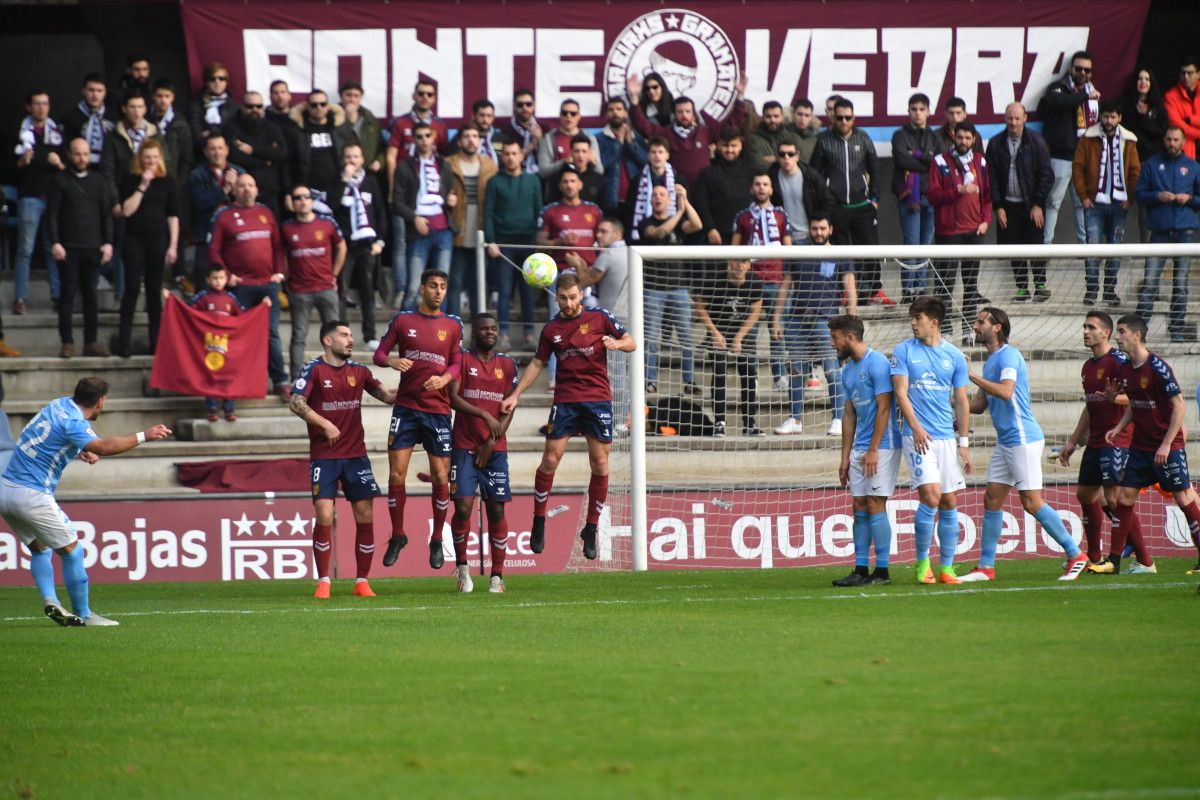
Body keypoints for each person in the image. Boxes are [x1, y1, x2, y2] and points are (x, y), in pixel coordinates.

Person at [0, 377, 171, 627]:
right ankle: (85, 614)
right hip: (31, 494)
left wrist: (77, 449)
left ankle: (51, 600)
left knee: (39, 549)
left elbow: (44, 438)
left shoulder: (58, 405)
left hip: (5, 490)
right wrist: (144, 435)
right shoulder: (74, 423)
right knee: (73, 552)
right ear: (100, 401)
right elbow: (103, 446)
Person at [500, 273, 636, 559]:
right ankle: (538, 520)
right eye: (564, 298)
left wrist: (617, 344)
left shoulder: (600, 317)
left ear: (581, 294)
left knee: (600, 464)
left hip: (598, 399)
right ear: (556, 297)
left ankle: (591, 527)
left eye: (574, 297)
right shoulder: (551, 329)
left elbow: (631, 341)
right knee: (550, 459)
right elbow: (537, 364)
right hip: (566, 400)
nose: (570, 302)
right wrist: (515, 394)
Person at [962, 307, 1089, 581]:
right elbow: (979, 406)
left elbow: (1006, 392)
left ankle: (1076, 554)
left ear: (997, 327)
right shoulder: (990, 362)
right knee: (992, 498)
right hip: (1006, 442)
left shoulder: (1009, 355)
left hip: (1023, 439)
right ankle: (985, 567)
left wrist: (970, 375)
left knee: (1031, 502)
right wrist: (944, 398)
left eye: (981, 322)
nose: (976, 326)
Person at [291, 320, 396, 598]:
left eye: (352, 334)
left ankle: (362, 581)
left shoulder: (359, 371)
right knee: (325, 514)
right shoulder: (314, 369)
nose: (351, 339)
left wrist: (417, 386)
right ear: (328, 341)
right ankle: (324, 581)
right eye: (344, 335)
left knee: (365, 514)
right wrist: (324, 424)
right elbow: (296, 402)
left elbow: (386, 396)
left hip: (355, 456)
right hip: (324, 456)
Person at [1089, 314, 1200, 574]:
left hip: (1166, 448)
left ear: (1137, 335)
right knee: (1124, 496)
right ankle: (1114, 562)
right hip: (1141, 447)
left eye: (1122, 332)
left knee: (1183, 498)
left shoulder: (1158, 367)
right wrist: (1118, 428)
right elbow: (1135, 405)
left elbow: (1179, 406)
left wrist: (1166, 443)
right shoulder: (1126, 369)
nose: (1117, 337)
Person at [373, 269, 463, 571]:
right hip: (406, 409)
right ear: (422, 287)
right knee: (396, 475)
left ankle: (437, 538)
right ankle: (398, 535)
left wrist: (445, 379)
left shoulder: (452, 325)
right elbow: (379, 354)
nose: (439, 291)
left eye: (443, 287)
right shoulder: (403, 321)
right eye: (434, 286)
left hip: (437, 410)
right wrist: (392, 361)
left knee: (440, 476)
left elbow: (457, 362)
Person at [890, 295, 972, 585]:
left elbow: (962, 402)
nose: (913, 323)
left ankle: (947, 568)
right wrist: (915, 427)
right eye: (912, 318)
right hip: (917, 437)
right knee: (931, 496)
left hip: (946, 439)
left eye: (918, 318)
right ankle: (923, 561)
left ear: (933, 323)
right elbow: (900, 393)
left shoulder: (954, 356)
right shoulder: (902, 351)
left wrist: (963, 444)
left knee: (949, 501)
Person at [447, 313, 518, 593]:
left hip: (495, 450)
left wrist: (491, 440)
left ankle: (497, 577)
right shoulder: (462, 360)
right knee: (463, 507)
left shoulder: (507, 364)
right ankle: (463, 570)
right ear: (473, 332)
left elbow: (510, 406)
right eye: (484, 329)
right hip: (464, 445)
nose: (490, 332)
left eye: (494, 328)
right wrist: (483, 416)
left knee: (496, 510)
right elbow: (452, 397)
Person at [1056, 311, 1133, 566]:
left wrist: (1115, 399)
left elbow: (1138, 398)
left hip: (1117, 438)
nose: (1086, 331)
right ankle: (1094, 555)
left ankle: (1142, 557)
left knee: (1114, 499)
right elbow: (1090, 406)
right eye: (1084, 327)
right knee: (1086, 495)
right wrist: (1073, 441)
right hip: (1096, 440)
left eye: (1091, 327)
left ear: (1106, 333)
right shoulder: (1088, 367)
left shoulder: (1119, 361)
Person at [831, 313, 901, 586]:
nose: (831, 343)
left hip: (882, 445)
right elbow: (849, 415)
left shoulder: (878, 364)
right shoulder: (847, 371)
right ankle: (860, 569)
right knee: (858, 504)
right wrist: (844, 457)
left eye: (835, 337)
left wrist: (873, 449)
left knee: (875, 503)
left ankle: (882, 571)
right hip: (860, 446)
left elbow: (885, 407)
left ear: (850, 337)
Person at [771, 214, 853, 437]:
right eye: (815, 228)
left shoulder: (839, 253)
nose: (818, 232)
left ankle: (838, 418)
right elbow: (785, 286)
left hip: (826, 321)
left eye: (822, 228)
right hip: (797, 319)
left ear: (831, 229)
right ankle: (795, 419)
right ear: (809, 229)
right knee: (796, 371)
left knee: (832, 372)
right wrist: (776, 319)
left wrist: (851, 320)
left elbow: (849, 285)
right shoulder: (799, 252)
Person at [208, 173, 289, 395]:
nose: (246, 189)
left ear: (257, 189)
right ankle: (240, 380)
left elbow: (278, 247)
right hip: (239, 288)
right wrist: (226, 275)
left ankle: (281, 381)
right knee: (239, 335)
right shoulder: (223, 216)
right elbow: (213, 250)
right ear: (234, 190)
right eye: (241, 185)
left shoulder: (266, 212)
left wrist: (279, 273)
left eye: (251, 185)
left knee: (271, 333)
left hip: (268, 285)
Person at [809, 98, 888, 305]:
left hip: (862, 205)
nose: (844, 121)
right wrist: (824, 202)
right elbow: (814, 174)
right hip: (836, 207)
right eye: (839, 117)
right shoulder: (824, 140)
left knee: (871, 249)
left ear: (853, 117)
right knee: (839, 252)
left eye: (848, 117)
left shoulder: (863, 138)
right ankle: (841, 291)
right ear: (833, 118)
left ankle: (875, 290)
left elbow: (875, 169)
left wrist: (874, 199)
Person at [45, 138, 113, 358]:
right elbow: (52, 214)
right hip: (68, 248)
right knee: (67, 296)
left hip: (93, 246)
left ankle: (91, 341)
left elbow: (106, 214)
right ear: (69, 154)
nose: (82, 158)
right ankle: (67, 342)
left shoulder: (99, 181)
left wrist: (108, 242)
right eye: (77, 154)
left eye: (85, 154)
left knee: (91, 296)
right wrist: (55, 241)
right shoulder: (59, 181)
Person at [1134, 126, 1200, 342]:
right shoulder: (1152, 164)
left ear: (1183, 142)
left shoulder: (1193, 167)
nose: (1172, 143)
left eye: (1176, 140)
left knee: (1180, 283)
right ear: (1164, 140)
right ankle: (1139, 331)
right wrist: (1157, 196)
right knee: (1150, 282)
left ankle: (1177, 329)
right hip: (1160, 232)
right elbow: (1139, 195)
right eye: (1169, 139)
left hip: (1185, 232)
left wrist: (1190, 199)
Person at [928, 121, 991, 344]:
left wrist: (985, 220)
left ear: (973, 139)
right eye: (960, 137)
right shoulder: (939, 161)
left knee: (971, 284)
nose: (963, 142)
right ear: (953, 136)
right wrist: (957, 190)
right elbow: (933, 196)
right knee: (945, 284)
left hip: (974, 231)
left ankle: (968, 330)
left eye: (967, 138)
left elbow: (987, 196)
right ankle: (944, 330)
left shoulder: (980, 161)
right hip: (948, 232)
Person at [1072, 100, 1140, 305]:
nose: (1109, 121)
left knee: (1115, 248)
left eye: (1113, 117)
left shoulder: (1129, 140)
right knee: (1092, 248)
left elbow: (1135, 171)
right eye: (1105, 116)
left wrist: (1129, 197)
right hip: (1094, 203)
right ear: (1100, 117)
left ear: (1119, 118)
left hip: (1119, 203)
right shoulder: (1088, 138)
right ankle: (1092, 290)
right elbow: (1078, 167)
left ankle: (1109, 290)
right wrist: (1083, 196)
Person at [637, 183, 702, 396]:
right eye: (654, 194)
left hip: (679, 287)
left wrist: (686, 201)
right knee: (651, 338)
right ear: (650, 200)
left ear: (668, 199)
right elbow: (660, 232)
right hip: (653, 288)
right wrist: (680, 211)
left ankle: (690, 381)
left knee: (686, 338)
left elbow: (697, 224)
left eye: (662, 194)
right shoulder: (645, 223)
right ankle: (650, 381)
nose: (657, 197)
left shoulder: (680, 219)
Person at [985, 102, 1054, 303]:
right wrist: (998, 206)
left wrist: (1038, 203)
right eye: (1009, 118)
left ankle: (1040, 286)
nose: (1013, 122)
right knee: (1014, 247)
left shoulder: (1037, 141)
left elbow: (1046, 175)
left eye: (1017, 118)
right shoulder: (996, 143)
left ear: (1025, 118)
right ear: (1004, 119)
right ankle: (1022, 288)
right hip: (1008, 205)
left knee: (1035, 245)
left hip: (1032, 205)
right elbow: (991, 177)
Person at [116, 139, 179, 357]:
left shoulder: (168, 181)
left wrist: (173, 245)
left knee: (154, 292)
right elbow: (126, 210)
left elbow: (173, 215)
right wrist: (142, 186)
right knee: (132, 289)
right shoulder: (131, 178)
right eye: (147, 158)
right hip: (134, 238)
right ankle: (124, 342)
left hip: (158, 239)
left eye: (154, 157)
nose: (151, 161)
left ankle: (156, 344)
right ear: (140, 159)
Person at [627, 72, 748, 183]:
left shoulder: (705, 132)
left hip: (703, 188)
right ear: (675, 114)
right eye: (680, 112)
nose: (684, 115)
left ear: (693, 114)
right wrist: (634, 98)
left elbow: (732, 124)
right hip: (675, 187)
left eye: (687, 111)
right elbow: (642, 125)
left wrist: (740, 97)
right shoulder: (666, 133)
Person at [732, 172, 792, 391]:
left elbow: (788, 248)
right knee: (751, 332)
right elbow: (735, 249)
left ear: (771, 189)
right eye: (757, 184)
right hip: (752, 281)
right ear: (752, 188)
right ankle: (752, 376)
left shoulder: (781, 215)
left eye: (765, 184)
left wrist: (789, 276)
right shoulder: (742, 216)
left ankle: (779, 376)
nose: (761, 188)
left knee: (778, 329)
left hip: (776, 279)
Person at [187, 265, 268, 422]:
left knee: (228, 377)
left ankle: (229, 409)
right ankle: (211, 410)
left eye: (221, 278)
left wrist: (262, 307)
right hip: (208, 345)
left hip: (227, 346)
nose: (218, 281)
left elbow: (244, 316)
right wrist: (171, 299)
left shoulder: (231, 298)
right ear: (208, 280)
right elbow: (186, 310)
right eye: (215, 278)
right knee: (210, 376)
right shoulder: (203, 296)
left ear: (226, 279)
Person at [694, 258, 763, 438]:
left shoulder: (754, 282)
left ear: (748, 265)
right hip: (719, 332)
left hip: (743, 333)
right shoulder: (714, 281)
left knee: (749, 374)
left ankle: (749, 423)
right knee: (719, 373)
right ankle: (719, 422)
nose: (739, 266)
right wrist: (714, 333)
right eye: (736, 261)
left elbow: (755, 312)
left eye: (744, 262)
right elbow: (700, 308)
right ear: (728, 263)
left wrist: (739, 337)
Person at [282, 184, 345, 379]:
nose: (302, 200)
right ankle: (296, 380)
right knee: (299, 336)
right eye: (297, 197)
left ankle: (339, 376)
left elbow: (342, 246)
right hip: (300, 291)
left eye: (306, 196)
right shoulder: (285, 228)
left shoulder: (327, 224)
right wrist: (287, 280)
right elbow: (281, 256)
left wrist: (334, 274)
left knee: (336, 336)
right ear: (292, 203)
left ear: (312, 200)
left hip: (326, 287)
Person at [392, 122, 457, 310]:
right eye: (419, 137)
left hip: (444, 231)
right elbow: (396, 202)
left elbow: (448, 194)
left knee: (441, 288)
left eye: (427, 136)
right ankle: (402, 334)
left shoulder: (444, 164)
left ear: (434, 137)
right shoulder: (404, 166)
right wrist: (415, 218)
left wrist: (451, 201)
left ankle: (440, 336)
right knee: (413, 288)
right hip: (418, 233)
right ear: (413, 139)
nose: (424, 140)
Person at [484, 138, 541, 350]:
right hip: (503, 245)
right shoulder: (494, 182)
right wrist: (491, 241)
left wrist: (537, 240)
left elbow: (538, 211)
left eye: (514, 153)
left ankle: (529, 335)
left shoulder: (533, 181)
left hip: (527, 244)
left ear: (521, 156)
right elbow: (488, 213)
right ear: (502, 156)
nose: (510, 157)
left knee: (527, 292)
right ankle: (504, 335)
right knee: (505, 292)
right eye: (506, 154)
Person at [12, 90, 65, 315]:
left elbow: (70, 167)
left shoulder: (57, 133)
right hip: (30, 197)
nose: (41, 108)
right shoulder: (20, 133)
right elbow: (9, 168)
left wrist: (60, 163)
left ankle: (58, 297)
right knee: (25, 249)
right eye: (37, 104)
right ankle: (20, 298)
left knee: (53, 248)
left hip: (53, 198)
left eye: (45, 104)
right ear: (28, 107)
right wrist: (22, 163)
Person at [1041, 50, 1098, 244]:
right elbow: (1059, 103)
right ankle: (1045, 248)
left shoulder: (1092, 93)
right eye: (1079, 68)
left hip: (1084, 158)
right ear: (1071, 69)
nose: (1083, 73)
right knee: (1053, 203)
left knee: (1083, 203)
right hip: (1060, 156)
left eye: (1087, 70)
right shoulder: (1058, 88)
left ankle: (1085, 247)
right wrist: (1084, 94)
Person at [333, 143, 386, 348]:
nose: (352, 161)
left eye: (355, 157)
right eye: (348, 157)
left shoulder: (371, 182)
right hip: (345, 245)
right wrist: (344, 180)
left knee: (367, 292)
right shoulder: (337, 182)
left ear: (362, 159)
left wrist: (380, 241)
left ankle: (370, 336)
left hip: (367, 245)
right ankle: (343, 336)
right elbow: (331, 206)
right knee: (341, 292)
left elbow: (380, 213)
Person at [891, 93, 939, 302]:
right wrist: (925, 162)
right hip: (909, 197)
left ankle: (920, 289)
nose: (918, 113)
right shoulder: (900, 135)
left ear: (929, 111)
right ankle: (908, 290)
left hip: (932, 196)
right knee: (912, 244)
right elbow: (902, 160)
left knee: (926, 245)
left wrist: (917, 156)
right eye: (914, 109)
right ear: (908, 111)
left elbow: (938, 163)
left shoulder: (935, 137)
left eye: (921, 109)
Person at [445, 124, 495, 320]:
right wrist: (446, 200)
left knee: (478, 284)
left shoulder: (490, 165)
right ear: (459, 141)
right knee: (454, 282)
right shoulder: (448, 163)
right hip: (457, 230)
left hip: (481, 230)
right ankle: (454, 331)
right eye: (466, 136)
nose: (471, 140)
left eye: (475, 136)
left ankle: (478, 331)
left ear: (480, 141)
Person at [187, 134, 243, 288]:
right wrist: (224, 189)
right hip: (206, 237)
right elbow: (200, 202)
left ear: (227, 150)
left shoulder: (239, 172)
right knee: (204, 289)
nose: (217, 152)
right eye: (212, 149)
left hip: (234, 238)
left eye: (220, 148)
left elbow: (247, 203)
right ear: (205, 152)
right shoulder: (197, 175)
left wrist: (236, 189)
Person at [226, 91, 289, 221]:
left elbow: (281, 153)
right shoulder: (231, 127)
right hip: (243, 192)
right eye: (250, 106)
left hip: (270, 191)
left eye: (258, 106)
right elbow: (235, 156)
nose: (254, 110)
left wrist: (253, 150)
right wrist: (266, 161)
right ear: (242, 107)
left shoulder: (272, 127)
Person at [1121, 66, 1168, 242]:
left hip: (1153, 161)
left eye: (1147, 79)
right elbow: (1131, 133)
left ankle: (1150, 243)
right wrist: (1140, 117)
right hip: (1133, 160)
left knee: (1151, 203)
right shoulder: (1126, 105)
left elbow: (1162, 132)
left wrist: (1144, 117)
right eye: (1140, 78)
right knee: (1132, 203)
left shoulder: (1158, 106)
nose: (1143, 82)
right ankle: (1126, 243)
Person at [692, 127, 756, 247]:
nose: (730, 149)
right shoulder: (707, 173)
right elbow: (701, 203)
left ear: (741, 146)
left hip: (749, 234)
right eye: (725, 145)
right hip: (718, 237)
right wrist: (710, 228)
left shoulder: (752, 170)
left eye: (733, 145)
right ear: (718, 146)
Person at [291, 89, 351, 214]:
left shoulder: (338, 127)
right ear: (307, 107)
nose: (319, 108)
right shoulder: (298, 129)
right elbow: (288, 162)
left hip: (337, 186)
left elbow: (351, 151)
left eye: (323, 104)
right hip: (308, 189)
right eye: (314, 105)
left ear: (328, 106)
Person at [536, 164, 601, 272]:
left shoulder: (594, 210)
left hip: (590, 271)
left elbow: (604, 240)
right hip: (561, 270)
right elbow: (539, 243)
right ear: (560, 186)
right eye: (565, 181)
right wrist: (559, 241)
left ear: (580, 184)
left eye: (572, 181)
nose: (569, 185)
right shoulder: (549, 211)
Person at [768, 140, 833, 246]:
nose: (786, 157)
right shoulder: (771, 177)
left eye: (790, 154)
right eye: (782, 154)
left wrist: (817, 221)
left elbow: (828, 202)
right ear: (778, 157)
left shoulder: (811, 176)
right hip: (782, 239)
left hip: (809, 238)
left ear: (797, 156)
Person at [596, 96, 647, 216]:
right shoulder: (598, 139)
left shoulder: (637, 137)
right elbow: (601, 165)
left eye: (619, 109)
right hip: (609, 201)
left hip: (636, 200)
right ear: (606, 115)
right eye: (611, 110)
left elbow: (646, 163)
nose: (615, 113)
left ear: (626, 113)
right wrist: (618, 143)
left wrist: (630, 143)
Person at [537, 99, 602, 191]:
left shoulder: (590, 138)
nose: (569, 116)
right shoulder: (549, 138)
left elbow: (600, 170)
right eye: (565, 113)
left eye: (573, 113)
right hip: (557, 192)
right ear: (560, 116)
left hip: (585, 191)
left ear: (579, 116)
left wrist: (593, 162)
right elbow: (543, 171)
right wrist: (564, 162)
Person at [61, 73, 113, 169]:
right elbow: (65, 149)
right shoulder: (70, 118)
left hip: (108, 169)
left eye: (99, 91)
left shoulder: (113, 117)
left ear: (105, 92)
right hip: (80, 169)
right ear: (83, 91)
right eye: (91, 90)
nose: (95, 95)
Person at [545, 135, 604, 206]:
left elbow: (602, 208)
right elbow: (551, 206)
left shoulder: (598, 178)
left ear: (589, 154)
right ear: (571, 153)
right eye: (577, 151)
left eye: (584, 151)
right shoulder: (558, 178)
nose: (580, 155)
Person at [188, 62, 236, 150]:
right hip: (204, 152)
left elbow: (233, 132)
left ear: (226, 82)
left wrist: (210, 131)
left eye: (221, 79)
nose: (217, 82)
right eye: (212, 79)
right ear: (206, 82)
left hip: (229, 152)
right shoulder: (197, 104)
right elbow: (196, 133)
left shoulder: (232, 105)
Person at [745, 100, 802, 170]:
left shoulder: (794, 138)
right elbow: (756, 165)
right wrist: (786, 160)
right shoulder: (753, 140)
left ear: (782, 117)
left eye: (776, 116)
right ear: (763, 117)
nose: (772, 120)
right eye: (768, 116)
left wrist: (774, 159)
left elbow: (800, 164)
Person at [1163, 56, 1200, 160]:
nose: (1186, 76)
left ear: (1198, 74)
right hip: (1186, 151)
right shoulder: (1170, 96)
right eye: (1183, 73)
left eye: (1190, 73)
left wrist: (1190, 120)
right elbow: (1178, 128)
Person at [500, 88, 541, 176]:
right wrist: (532, 145)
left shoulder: (543, 128)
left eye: (528, 104)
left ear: (534, 107)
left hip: (539, 176)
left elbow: (548, 160)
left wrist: (540, 141)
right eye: (520, 105)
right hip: (515, 176)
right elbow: (507, 158)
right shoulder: (506, 130)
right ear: (514, 107)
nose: (524, 108)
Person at [786, 98, 822, 164]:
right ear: (793, 114)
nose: (802, 118)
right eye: (799, 114)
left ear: (811, 117)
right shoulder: (784, 134)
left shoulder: (815, 139)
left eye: (807, 115)